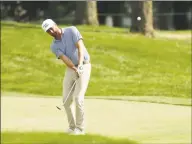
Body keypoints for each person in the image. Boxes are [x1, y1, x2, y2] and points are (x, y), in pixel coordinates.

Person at [41, 19, 91, 135]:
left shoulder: (72, 30)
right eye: (48, 31)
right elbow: (65, 59)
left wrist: (80, 65)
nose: (51, 31)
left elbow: (80, 47)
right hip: (71, 69)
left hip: (84, 65)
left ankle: (80, 128)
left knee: (78, 98)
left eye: (51, 28)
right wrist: (74, 68)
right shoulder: (54, 46)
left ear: (55, 24)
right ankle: (72, 127)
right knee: (66, 100)